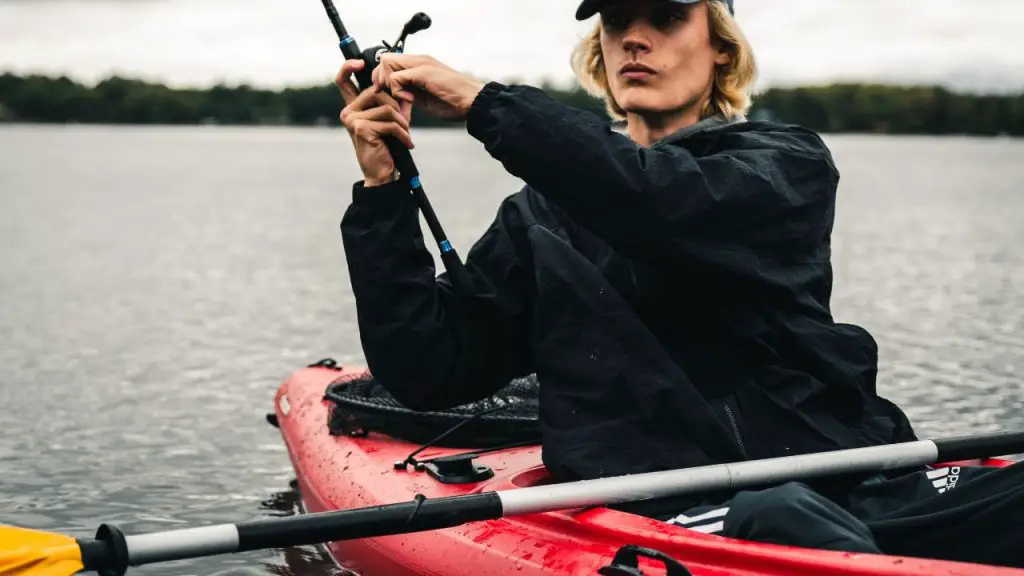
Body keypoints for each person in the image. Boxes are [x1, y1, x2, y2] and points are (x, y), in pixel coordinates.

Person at [334, 0, 1024, 568]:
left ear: (720, 47)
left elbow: (652, 201)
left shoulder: (786, 163)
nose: (635, 37)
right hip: (689, 511)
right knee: (775, 514)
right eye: (616, 22)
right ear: (600, 50)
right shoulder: (539, 216)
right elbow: (429, 366)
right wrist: (382, 190)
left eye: (665, 17)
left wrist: (487, 104)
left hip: (862, 475)